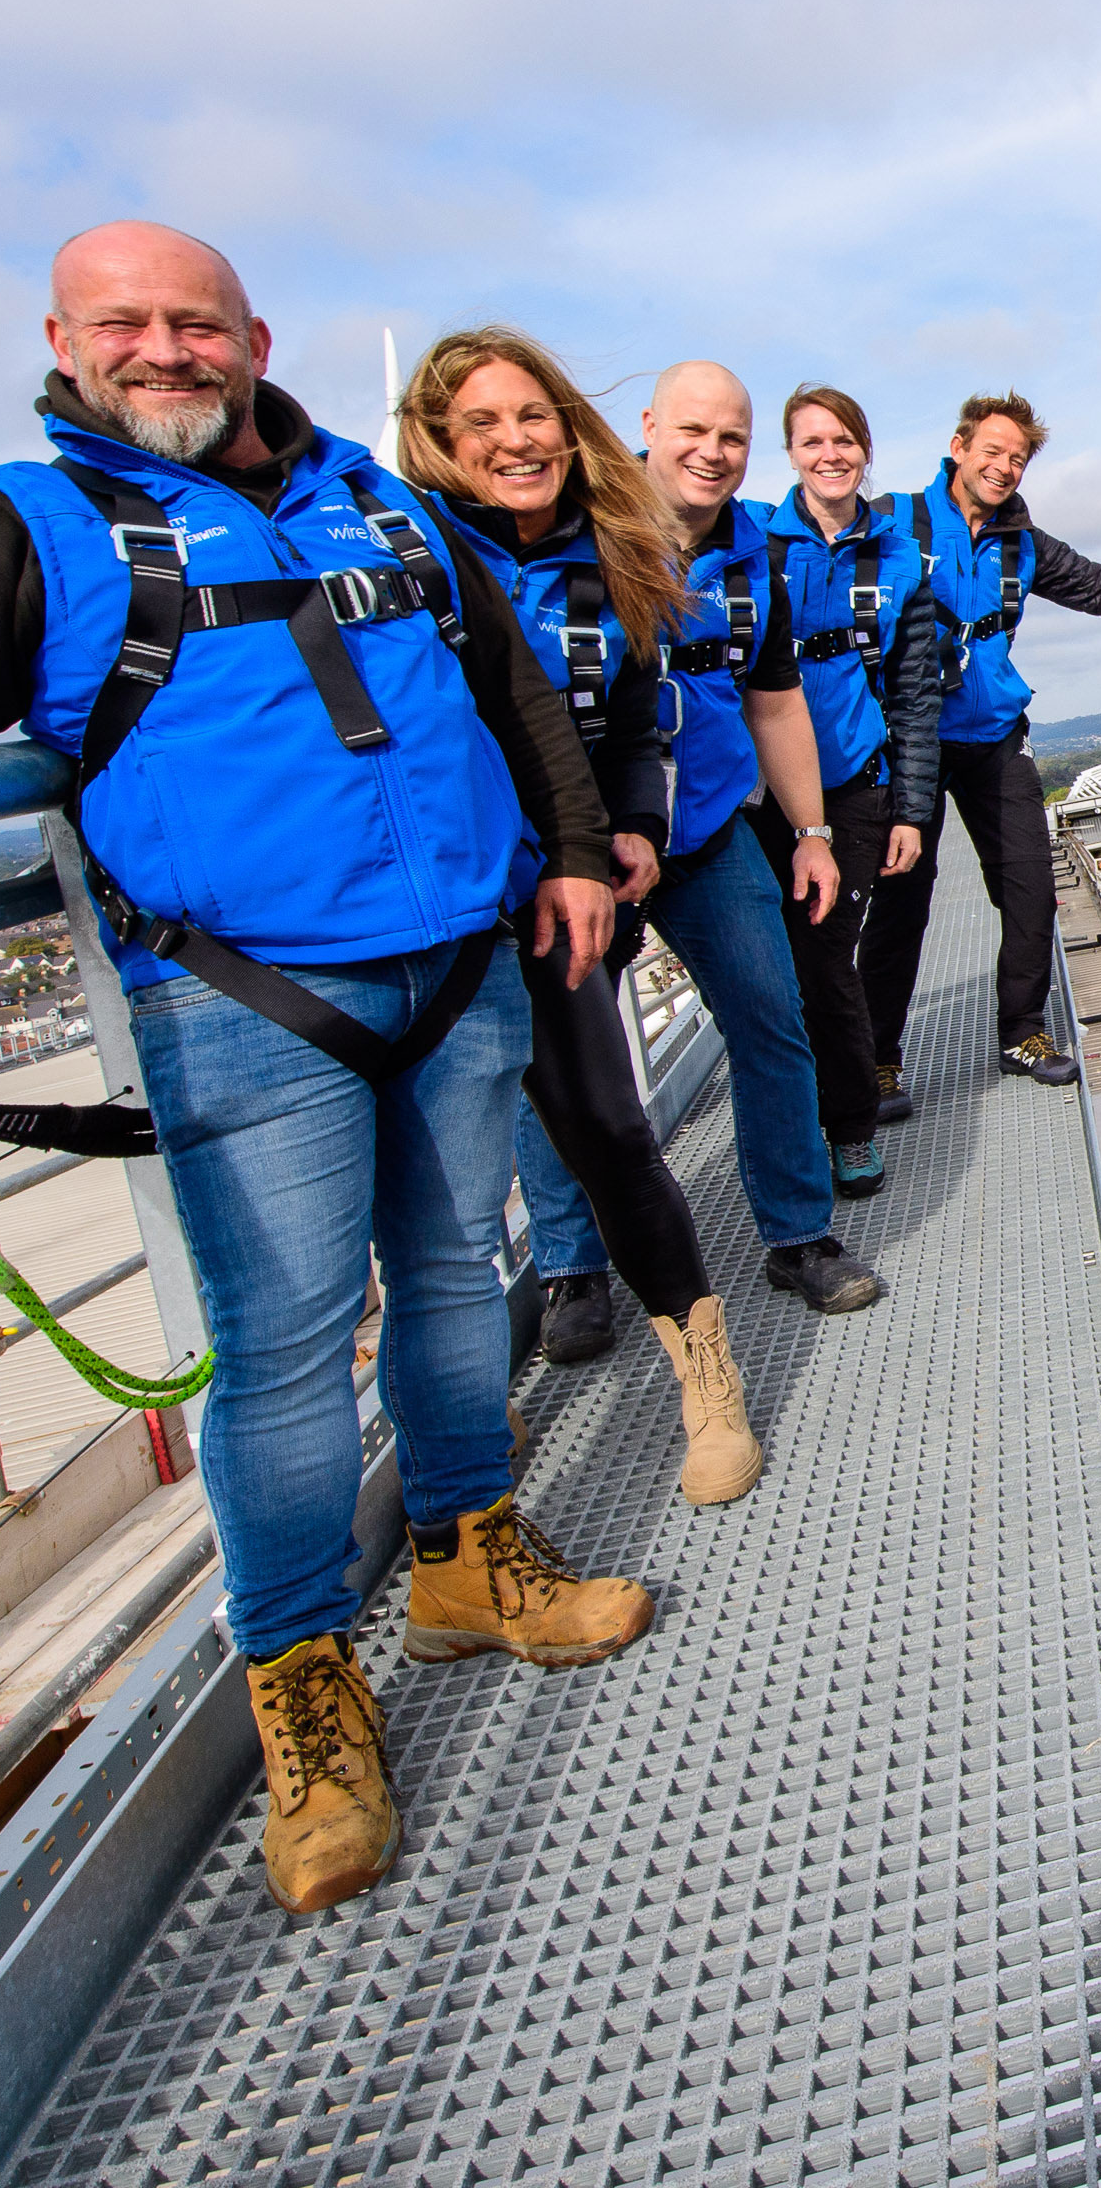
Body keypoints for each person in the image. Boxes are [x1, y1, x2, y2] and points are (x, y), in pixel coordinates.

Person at [0, 223, 650, 1919]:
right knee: (285, 1356)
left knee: (464, 1285)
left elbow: (512, 686)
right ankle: (304, 1687)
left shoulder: (382, 503)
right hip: (245, 1001)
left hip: (464, 963)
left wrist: (567, 849)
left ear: (254, 334)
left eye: (195, 321)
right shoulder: (16, 527)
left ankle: (473, 1558)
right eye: (127, 324)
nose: (164, 350)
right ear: (63, 339)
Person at [397, 325, 826, 1512]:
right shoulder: (415, 549)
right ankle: (514, 1358)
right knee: (454, 1170)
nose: (513, 441)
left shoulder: (620, 549)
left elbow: (641, 713)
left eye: (531, 416)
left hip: (613, 865)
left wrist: (634, 824)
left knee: (621, 1112)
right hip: (461, 890)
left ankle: (718, 1361)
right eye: (478, 424)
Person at [462, 350, 888, 1363]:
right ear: (646, 425)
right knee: (559, 1060)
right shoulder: (578, 534)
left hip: (700, 832)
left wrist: (814, 831)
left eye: (732, 437)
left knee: (772, 1018)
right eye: (692, 431)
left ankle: (797, 1231)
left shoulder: (756, 557)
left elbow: (774, 698)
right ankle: (573, 1267)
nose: (712, 452)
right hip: (569, 849)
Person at [859, 393, 1101, 1104]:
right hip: (911, 741)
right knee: (902, 902)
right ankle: (876, 1059)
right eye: (992, 451)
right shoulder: (894, 520)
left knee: (1030, 892)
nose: (1004, 467)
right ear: (958, 447)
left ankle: (1022, 1031)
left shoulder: (1022, 541)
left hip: (994, 740)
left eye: (1017, 458)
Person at [744, 385, 947, 1194]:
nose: (831, 456)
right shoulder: (752, 544)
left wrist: (912, 809)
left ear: (866, 450)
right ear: (790, 454)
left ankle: (851, 1128)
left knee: (829, 965)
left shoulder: (899, 557)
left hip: (854, 790)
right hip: (758, 799)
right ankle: (790, 1132)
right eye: (813, 442)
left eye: (846, 441)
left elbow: (915, 692)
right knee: (772, 979)